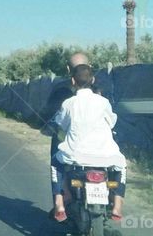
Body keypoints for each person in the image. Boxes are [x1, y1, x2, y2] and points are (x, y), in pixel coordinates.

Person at [49, 64, 127, 223]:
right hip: (106, 156)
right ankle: (117, 205)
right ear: (93, 79)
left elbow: (62, 125)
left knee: (55, 163)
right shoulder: (103, 102)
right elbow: (111, 122)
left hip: (76, 156)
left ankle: (60, 203)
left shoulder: (69, 103)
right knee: (122, 166)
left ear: (72, 80)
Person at [41, 52, 89, 217]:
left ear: (69, 69)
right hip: (95, 142)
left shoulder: (60, 89)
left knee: (56, 162)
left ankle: (60, 204)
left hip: (65, 140)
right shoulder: (98, 88)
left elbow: (52, 116)